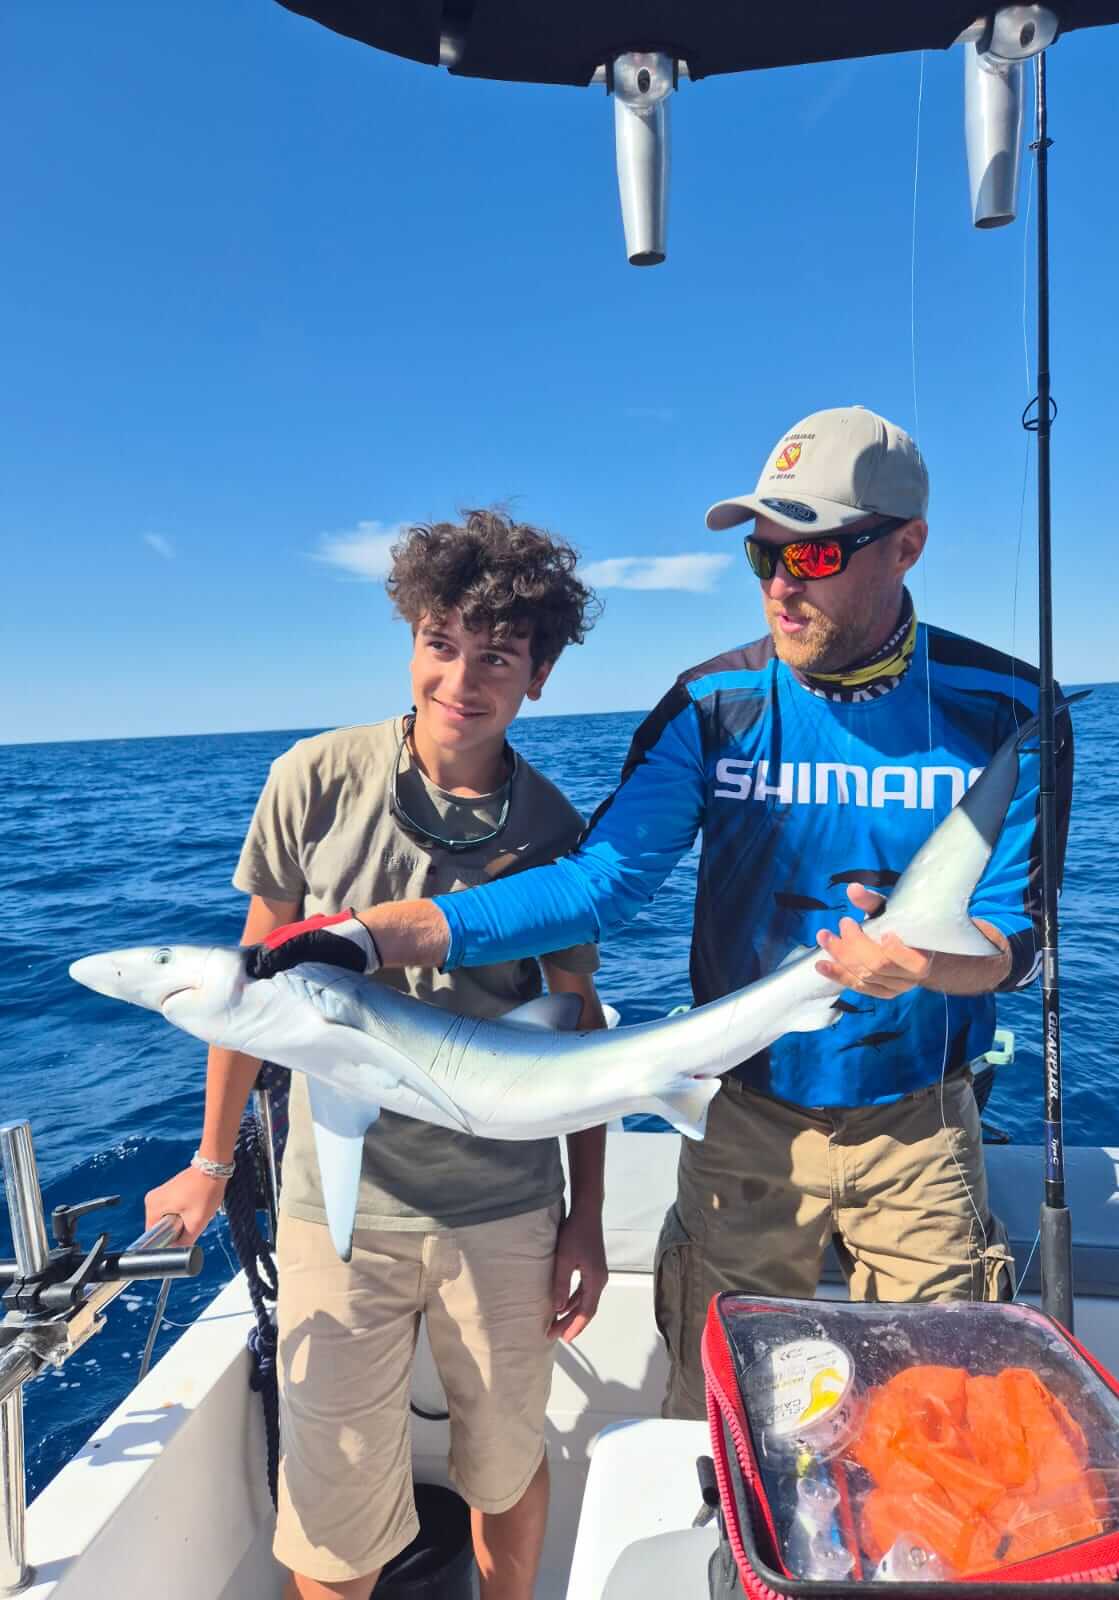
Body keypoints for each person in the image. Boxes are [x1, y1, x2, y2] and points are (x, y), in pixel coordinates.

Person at [247, 406, 1073, 1423]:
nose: (781, 582)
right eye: (762, 553)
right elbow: (599, 883)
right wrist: (381, 933)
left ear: (907, 544)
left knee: (945, 1416)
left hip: (921, 1122)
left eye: (813, 551)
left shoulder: (1009, 707)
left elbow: (1016, 941)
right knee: (721, 1409)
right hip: (742, 1115)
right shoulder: (711, 703)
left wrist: (926, 966)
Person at [145, 509, 609, 1600]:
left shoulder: (555, 832)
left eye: (498, 656)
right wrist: (213, 1164)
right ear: (410, 639)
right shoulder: (312, 780)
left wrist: (585, 1212)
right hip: (332, 1208)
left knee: (504, 1468)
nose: (462, 678)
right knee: (333, 1515)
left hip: (503, 1207)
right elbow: (243, 995)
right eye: (442, 643)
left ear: (538, 676)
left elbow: (578, 1030)